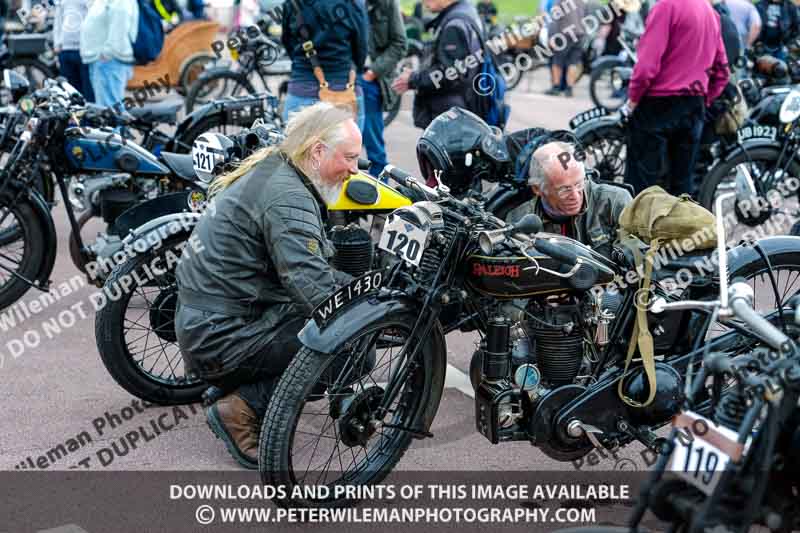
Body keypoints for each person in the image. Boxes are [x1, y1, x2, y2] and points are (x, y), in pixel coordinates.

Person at [174, 103, 358, 470]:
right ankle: (240, 407)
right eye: (349, 157)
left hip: (206, 322)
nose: (355, 169)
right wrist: (367, 317)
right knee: (352, 346)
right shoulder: (288, 197)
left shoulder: (275, 167)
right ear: (317, 150)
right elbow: (310, 284)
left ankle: (236, 384)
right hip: (218, 336)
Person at [622, 0, 729, 196]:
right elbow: (722, 72)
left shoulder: (666, 7)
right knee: (681, 184)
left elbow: (646, 67)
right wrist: (704, 100)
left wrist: (633, 99)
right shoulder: (710, 12)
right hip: (693, 104)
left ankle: (637, 226)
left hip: (657, 104)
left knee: (641, 182)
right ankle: (677, 226)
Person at [505, 142, 631, 260]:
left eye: (579, 184)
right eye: (564, 190)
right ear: (537, 189)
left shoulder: (615, 202)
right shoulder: (519, 221)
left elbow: (640, 258)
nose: (575, 196)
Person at [391, 0, 485, 129]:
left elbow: (450, 74)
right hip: (462, 106)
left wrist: (413, 79)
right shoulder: (467, 11)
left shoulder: (455, 25)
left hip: (450, 114)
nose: (423, 2)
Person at [281, 0, 369, 130]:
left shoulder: (292, 3)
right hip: (345, 89)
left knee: (296, 150)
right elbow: (361, 50)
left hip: (302, 89)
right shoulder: (354, 4)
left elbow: (288, 44)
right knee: (348, 149)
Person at [361, 0, 407, 177]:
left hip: (369, 81)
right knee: (338, 144)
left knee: (374, 148)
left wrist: (372, 72)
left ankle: (379, 195)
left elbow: (400, 43)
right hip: (342, 79)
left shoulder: (386, 4)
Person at [79, 0, 139, 108]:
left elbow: (120, 26)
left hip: (108, 61)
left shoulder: (120, 2)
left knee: (109, 110)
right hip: (101, 60)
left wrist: (108, 53)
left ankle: (118, 126)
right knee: (106, 108)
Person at [543, 0, 587, 97]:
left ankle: (556, 87)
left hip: (564, 35)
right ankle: (569, 89)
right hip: (579, 34)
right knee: (573, 63)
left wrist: (551, 36)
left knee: (557, 61)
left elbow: (554, 18)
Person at [54, 0, 94, 103]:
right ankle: (75, 119)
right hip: (66, 50)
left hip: (85, 50)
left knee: (88, 94)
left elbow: (94, 18)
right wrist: (57, 43)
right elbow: (58, 18)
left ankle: (88, 119)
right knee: (70, 94)